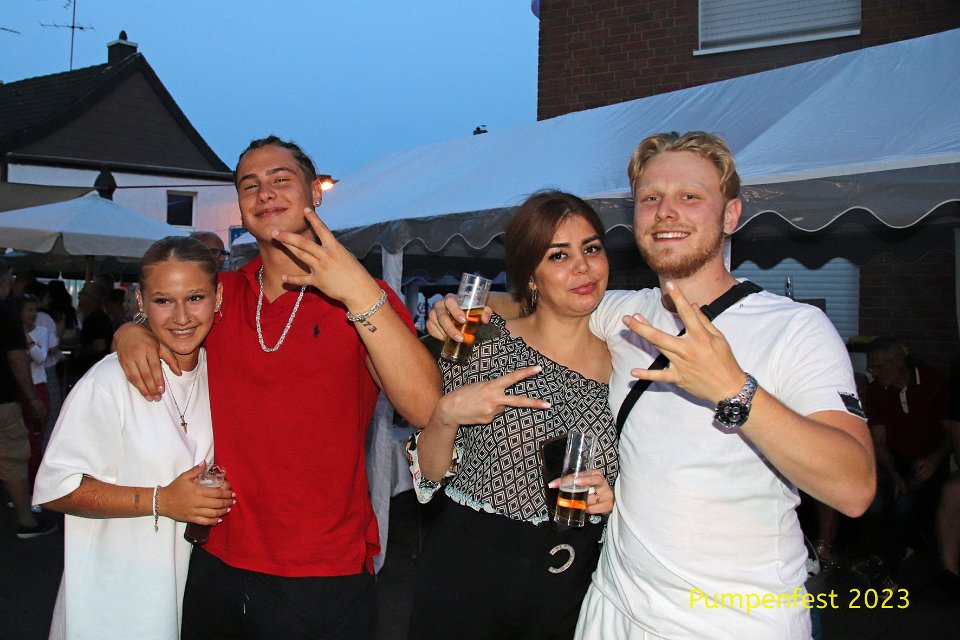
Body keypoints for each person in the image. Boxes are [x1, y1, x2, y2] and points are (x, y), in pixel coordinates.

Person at [430, 131, 875, 638]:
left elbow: (854, 488)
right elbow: (548, 297)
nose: (667, 211)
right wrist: (460, 307)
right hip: (611, 608)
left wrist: (735, 391)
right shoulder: (625, 313)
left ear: (730, 215)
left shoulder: (794, 329)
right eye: (651, 199)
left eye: (690, 195)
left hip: (732, 620)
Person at [115, 135, 441, 639]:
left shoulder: (366, 297)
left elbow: (424, 409)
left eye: (281, 179)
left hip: (322, 568)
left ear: (315, 192)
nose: (264, 192)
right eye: (250, 185)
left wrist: (358, 292)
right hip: (217, 554)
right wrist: (132, 329)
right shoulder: (221, 295)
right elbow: (165, 315)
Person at [407, 192, 619, 639]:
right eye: (558, 255)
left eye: (591, 248)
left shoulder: (631, 365)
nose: (582, 267)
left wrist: (612, 498)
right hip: (470, 573)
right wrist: (445, 415)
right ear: (531, 276)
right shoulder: (481, 343)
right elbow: (432, 473)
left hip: (571, 581)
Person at [34, 236, 234, 639]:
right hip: (111, 601)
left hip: (182, 593)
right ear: (141, 302)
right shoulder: (112, 380)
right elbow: (56, 489)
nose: (181, 317)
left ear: (218, 298)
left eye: (195, 298)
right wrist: (163, 500)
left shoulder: (221, 374)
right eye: (163, 300)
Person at [863, 337, 952, 560]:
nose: (874, 373)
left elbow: (951, 433)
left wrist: (934, 459)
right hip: (892, 459)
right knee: (872, 499)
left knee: (905, 502)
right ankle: (880, 553)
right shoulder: (876, 391)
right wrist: (893, 473)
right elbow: (879, 441)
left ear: (898, 361)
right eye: (871, 368)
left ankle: (894, 556)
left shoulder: (933, 383)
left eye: (878, 367)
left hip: (928, 458)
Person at [0, 260, 55, 539]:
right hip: (4, 399)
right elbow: (16, 358)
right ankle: (26, 520)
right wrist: (32, 397)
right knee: (13, 456)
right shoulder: (6, 313)